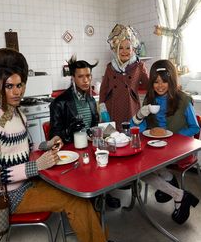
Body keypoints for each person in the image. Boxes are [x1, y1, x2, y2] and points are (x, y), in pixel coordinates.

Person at [0, 48, 124, 242]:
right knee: (75, 201)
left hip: (30, 183)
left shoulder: (15, 114)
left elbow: (26, 149)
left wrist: (47, 144)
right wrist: (37, 166)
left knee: (81, 192)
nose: (17, 92)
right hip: (12, 195)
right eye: (9, 86)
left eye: (20, 85)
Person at [131, 59, 200, 225]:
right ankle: (178, 192)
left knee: (141, 171)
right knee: (136, 168)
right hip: (156, 148)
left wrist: (172, 138)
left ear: (172, 81)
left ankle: (171, 186)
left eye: (164, 81)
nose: (159, 86)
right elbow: (137, 129)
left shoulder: (183, 100)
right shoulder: (150, 99)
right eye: (155, 82)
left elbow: (195, 128)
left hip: (179, 150)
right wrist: (140, 115)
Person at [49, 55, 121, 209]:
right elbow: (53, 136)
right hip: (71, 150)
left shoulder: (90, 100)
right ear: (73, 78)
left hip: (89, 146)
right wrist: (69, 131)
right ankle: (91, 197)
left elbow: (94, 125)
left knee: (113, 155)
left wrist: (103, 131)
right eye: (80, 76)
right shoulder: (59, 102)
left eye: (88, 76)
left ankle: (103, 193)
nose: (85, 80)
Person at [99, 24, 149, 131]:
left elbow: (148, 85)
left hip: (131, 108)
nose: (124, 51)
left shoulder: (139, 66)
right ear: (116, 50)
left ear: (133, 49)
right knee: (112, 138)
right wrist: (103, 110)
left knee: (131, 136)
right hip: (112, 108)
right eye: (120, 48)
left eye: (128, 48)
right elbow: (103, 90)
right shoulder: (110, 67)